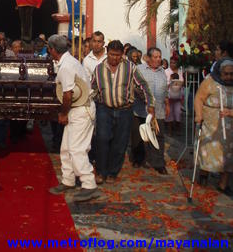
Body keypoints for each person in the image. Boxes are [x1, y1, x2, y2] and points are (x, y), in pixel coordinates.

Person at [93, 40, 155, 183]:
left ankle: (112, 172)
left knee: (119, 143)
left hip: (125, 110)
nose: (114, 58)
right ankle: (101, 172)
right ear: (107, 52)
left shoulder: (130, 68)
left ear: (122, 55)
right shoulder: (98, 69)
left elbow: (143, 85)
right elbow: (93, 88)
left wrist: (150, 103)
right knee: (102, 139)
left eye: (117, 55)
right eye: (111, 54)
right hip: (104, 109)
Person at [48, 35, 98, 202]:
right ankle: (68, 180)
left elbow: (67, 95)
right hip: (76, 109)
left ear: (53, 50)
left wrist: (63, 113)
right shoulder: (69, 62)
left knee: (77, 149)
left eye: (50, 49)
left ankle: (89, 184)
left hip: (80, 110)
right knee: (66, 147)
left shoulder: (66, 66)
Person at [194, 58, 233, 194]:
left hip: (230, 125)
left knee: (229, 154)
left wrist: (231, 112)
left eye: (231, 74)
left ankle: (223, 184)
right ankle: (204, 174)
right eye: (226, 74)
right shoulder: (210, 81)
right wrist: (199, 115)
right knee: (208, 148)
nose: (228, 77)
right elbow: (199, 98)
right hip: (211, 121)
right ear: (220, 72)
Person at [138, 47, 169, 174]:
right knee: (145, 135)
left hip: (159, 109)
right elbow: (136, 86)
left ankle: (159, 163)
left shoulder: (163, 71)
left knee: (159, 135)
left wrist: (167, 104)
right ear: (148, 58)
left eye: (159, 57)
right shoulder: (140, 69)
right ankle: (144, 159)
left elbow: (165, 89)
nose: (158, 59)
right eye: (155, 57)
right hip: (143, 109)